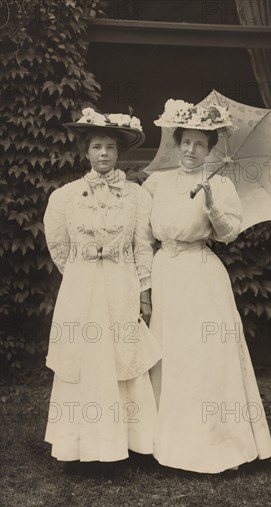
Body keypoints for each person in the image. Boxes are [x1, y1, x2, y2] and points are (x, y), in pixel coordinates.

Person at [142, 99, 271, 473]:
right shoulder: (156, 183)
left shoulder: (220, 184)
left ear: (210, 149)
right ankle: (164, 443)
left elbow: (229, 234)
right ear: (176, 143)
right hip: (165, 274)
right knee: (169, 353)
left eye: (200, 144)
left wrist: (213, 203)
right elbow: (142, 234)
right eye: (186, 142)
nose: (191, 150)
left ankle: (217, 443)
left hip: (200, 274)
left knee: (204, 355)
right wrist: (145, 287)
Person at [44, 107, 160, 462]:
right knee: (84, 355)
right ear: (86, 151)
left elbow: (142, 246)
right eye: (97, 146)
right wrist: (82, 272)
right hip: (81, 284)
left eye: (110, 146)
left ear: (118, 152)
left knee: (121, 353)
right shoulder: (64, 196)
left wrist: (144, 291)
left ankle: (126, 442)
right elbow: (58, 245)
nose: (104, 154)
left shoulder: (137, 196)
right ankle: (78, 443)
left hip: (120, 281)